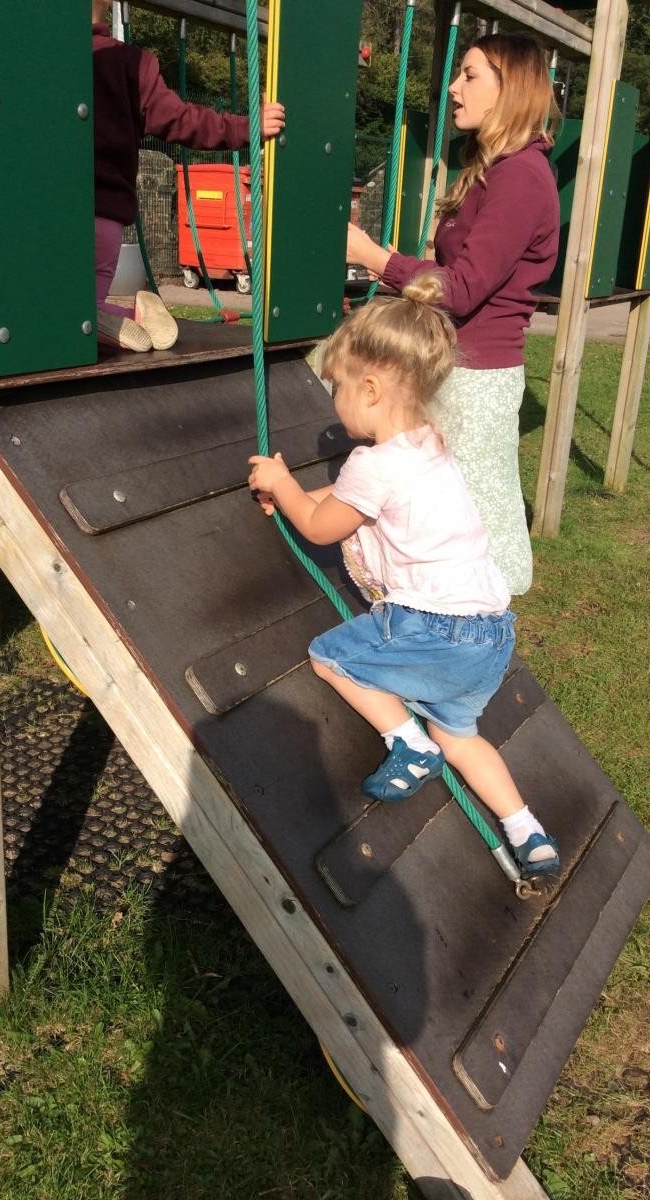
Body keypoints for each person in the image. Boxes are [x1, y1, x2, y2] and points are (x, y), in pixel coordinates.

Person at [247, 276, 559, 877]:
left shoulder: (371, 462)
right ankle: (528, 830)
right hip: (491, 634)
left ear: (370, 388)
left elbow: (320, 526)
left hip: (429, 626)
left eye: (336, 386)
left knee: (329, 656)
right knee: (462, 738)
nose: (333, 398)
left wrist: (281, 483)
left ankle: (406, 743)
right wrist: (294, 495)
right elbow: (352, 500)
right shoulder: (428, 444)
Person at [345, 34, 560, 596]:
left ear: (506, 89)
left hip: (478, 376)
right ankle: (447, 602)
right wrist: (391, 266)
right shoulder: (499, 170)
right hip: (460, 364)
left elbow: (461, 289)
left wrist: (377, 257)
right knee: (444, 496)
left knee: (480, 500)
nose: (453, 87)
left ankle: (487, 615)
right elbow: (460, 272)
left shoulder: (520, 177)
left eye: (469, 75)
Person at [91, 0, 285, 351]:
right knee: (89, 293)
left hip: (47, 214)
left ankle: (108, 319)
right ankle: (135, 314)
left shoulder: (36, 60)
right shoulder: (130, 63)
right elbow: (184, 120)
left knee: (54, 309)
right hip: (104, 216)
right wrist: (247, 126)